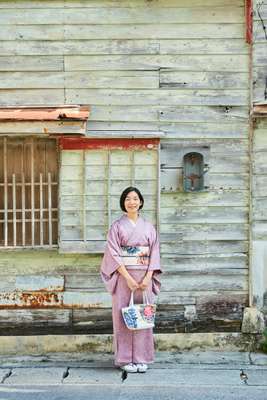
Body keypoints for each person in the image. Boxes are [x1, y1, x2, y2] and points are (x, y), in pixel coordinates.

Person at [100, 186, 162, 373]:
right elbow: (113, 254)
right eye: (127, 199)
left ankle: (142, 358)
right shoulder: (117, 227)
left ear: (141, 202)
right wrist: (126, 277)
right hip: (123, 277)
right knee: (123, 317)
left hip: (145, 277)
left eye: (135, 198)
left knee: (144, 315)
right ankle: (125, 359)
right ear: (123, 203)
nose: (132, 202)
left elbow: (155, 253)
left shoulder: (149, 227)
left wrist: (148, 277)